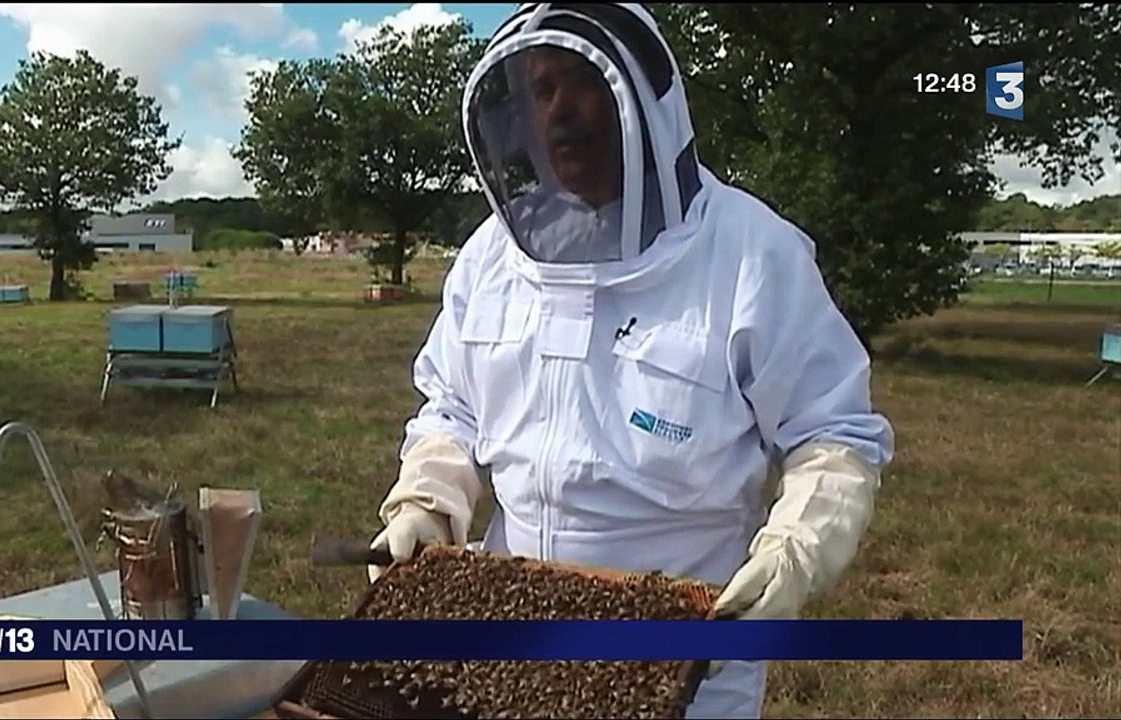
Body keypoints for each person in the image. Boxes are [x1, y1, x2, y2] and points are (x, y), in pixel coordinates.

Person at [367, 3, 895, 717]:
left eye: (580, 83)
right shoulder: (493, 256)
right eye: (541, 90)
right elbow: (453, 408)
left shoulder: (751, 254)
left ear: (642, 99)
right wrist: (430, 498)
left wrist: (797, 548)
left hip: (682, 665)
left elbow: (833, 435)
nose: (558, 112)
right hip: (511, 652)